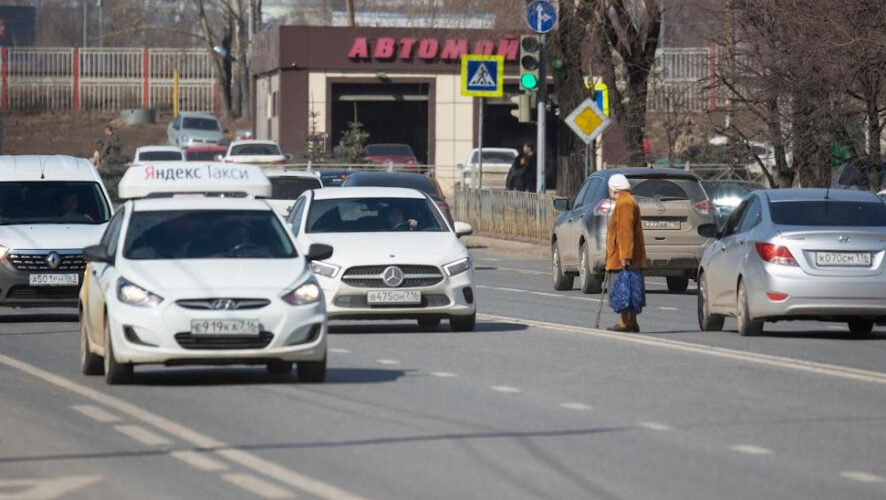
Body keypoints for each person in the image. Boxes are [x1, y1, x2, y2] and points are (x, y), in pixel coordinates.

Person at [605, 174, 647, 332]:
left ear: (614, 187)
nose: (608, 191)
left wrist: (625, 256)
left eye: (609, 187)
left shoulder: (624, 203)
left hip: (623, 257)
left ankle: (624, 322)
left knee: (623, 289)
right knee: (630, 288)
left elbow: (625, 232)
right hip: (628, 255)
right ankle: (632, 322)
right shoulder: (628, 201)